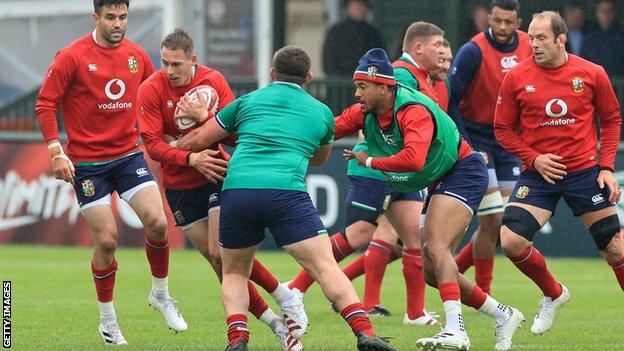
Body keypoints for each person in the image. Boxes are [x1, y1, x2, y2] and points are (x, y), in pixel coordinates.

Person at [171, 45, 395, 351]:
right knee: (326, 267)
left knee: (235, 270)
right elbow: (318, 159)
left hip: (239, 190)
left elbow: (199, 139)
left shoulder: (248, 101)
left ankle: (238, 339)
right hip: (286, 192)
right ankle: (365, 333)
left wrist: (169, 144)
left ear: (272, 74)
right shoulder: (321, 112)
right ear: (309, 77)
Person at [339, 48, 524, 351]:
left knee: (435, 246)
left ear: (383, 86)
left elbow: (413, 159)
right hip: (441, 178)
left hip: (463, 170)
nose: (357, 93)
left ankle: (456, 330)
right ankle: (502, 314)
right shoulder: (368, 111)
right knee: (431, 271)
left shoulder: (412, 109)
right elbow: (330, 128)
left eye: (362, 86)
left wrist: (370, 161)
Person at [136, 27, 305, 351]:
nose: (169, 71)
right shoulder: (150, 90)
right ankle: (278, 325)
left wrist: (207, 121)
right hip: (179, 187)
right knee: (220, 264)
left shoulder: (213, 81)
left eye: (176, 64)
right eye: (165, 63)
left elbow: (237, 134)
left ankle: (284, 295)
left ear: (193, 60)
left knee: (222, 252)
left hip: (216, 174)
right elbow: (154, 147)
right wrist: (190, 157)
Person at [34, 0, 186, 345]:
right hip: (88, 165)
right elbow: (45, 104)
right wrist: (56, 151)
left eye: (123, 17)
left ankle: (160, 294)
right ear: (96, 18)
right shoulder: (71, 56)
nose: (118, 24)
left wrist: (178, 128)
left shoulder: (137, 55)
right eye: (111, 17)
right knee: (106, 240)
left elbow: (156, 97)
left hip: (127, 156)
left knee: (159, 223)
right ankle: (107, 321)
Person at [495, 10, 624, 336]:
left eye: (541, 38)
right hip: (539, 174)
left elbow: (611, 120)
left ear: (561, 39)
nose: (533, 44)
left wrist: (607, 166)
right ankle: (553, 294)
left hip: (584, 172)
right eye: (531, 38)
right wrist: (534, 158)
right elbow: (502, 129)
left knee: (617, 249)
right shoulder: (516, 77)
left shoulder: (591, 73)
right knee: (510, 241)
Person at [449, 0, 531, 295]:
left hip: (508, 140)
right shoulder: (472, 51)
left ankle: (453, 270)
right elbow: (451, 98)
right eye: (496, 21)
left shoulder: (529, 46)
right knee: (492, 218)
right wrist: (466, 144)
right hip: (478, 139)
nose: (501, 27)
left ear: (518, 23)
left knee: (505, 222)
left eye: (508, 22)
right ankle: (483, 291)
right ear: (489, 18)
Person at [322, 0, 384, 77]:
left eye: (362, 6)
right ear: (348, 7)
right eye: (356, 5)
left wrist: (368, 79)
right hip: (340, 85)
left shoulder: (373, 34)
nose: (360, 9)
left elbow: (378, 60)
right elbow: (328, 61)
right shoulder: (335, 31)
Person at [392, 21, 446, 102]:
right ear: (418, 48)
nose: (443, 51)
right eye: (437, 45)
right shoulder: (402, 75)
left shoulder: (418, 73)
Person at [580, 0, 624, 76]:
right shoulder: (589, 37)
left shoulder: (621, 36)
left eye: (609, 10)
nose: (606, 14)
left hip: (618, 82)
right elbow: (583, 62)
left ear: (614, 13)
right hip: (595, 81)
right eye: (602, 11)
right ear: (597, 13)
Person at [431, 39, 453, 112]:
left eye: (449, 60)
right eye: (442, 60)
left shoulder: (445, 84)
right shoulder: (413, 83)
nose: (447, 67)